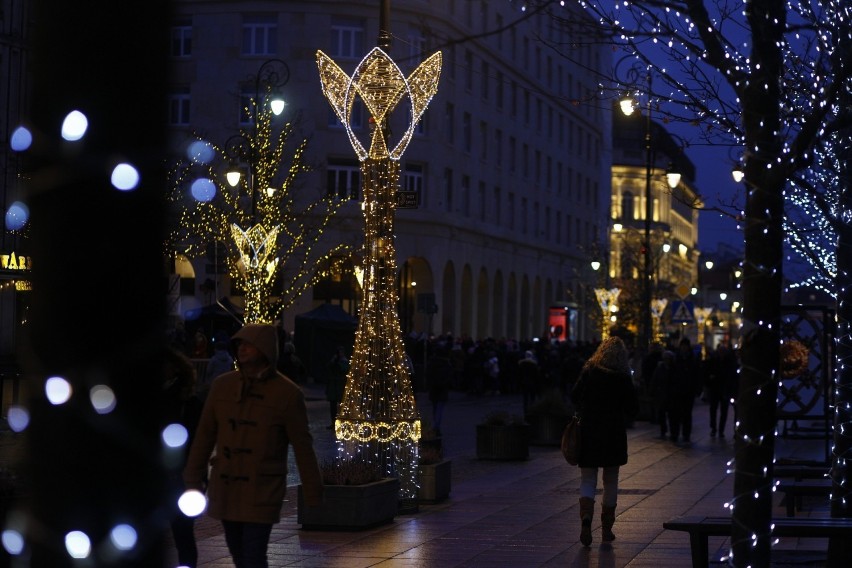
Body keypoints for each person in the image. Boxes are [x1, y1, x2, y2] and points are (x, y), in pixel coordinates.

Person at [183, 323, 324, 568]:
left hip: (263, 488)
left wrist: (313, 491)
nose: (243, 350)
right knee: (238, 551)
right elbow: (204, 436)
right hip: (227, 485)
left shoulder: (287, 394)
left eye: (250, 344)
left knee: (254, 554)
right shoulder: (223, 386)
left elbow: (303, 446)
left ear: (265, 349)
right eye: (240, 345)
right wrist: (193, 478)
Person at [570, 336, 639, 547]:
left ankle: (586, 518)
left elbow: (574, 396)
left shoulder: (590, 370)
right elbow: (633, 409)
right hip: (613, 434)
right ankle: (607, 527)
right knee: (611, 481)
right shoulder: (622, 377)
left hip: (589, 432)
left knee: (588, 479)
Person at [163, 346, 202, 568]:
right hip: (164, 476)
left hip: (180, 476)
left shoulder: (188, 402)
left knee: (182, 533)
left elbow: (199, 440)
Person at [669, 337, 701, 444]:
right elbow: (672, 373)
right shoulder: (676, 358)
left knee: (687, 413)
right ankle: (675, 433)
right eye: (682, 346)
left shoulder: (692, 359)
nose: (684, 348)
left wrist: (696, 389)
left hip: (688, 390)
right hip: (677, 390)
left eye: (685, 346)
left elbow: (696, 375)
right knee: (675, 413)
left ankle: (686, 434)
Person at [705, 342, 738, 437]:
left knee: (722, 410)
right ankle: (715, 428)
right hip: (717, 388)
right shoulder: (715, 360)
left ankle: (719, 429)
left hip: (723, 388)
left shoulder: (727, 361)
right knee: (715, 409)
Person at [425, 345, 453, 435]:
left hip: (434, 388)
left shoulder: (431, 363)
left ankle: (435, 424)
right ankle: (436, 425)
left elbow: (428, 375)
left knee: (435, 407)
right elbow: (449, 376)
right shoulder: (446, 364)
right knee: (439, 408)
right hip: (442, 388)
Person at [199, 332, 234, 400]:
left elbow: (209, 371)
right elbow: (232, 369)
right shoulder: (230, 359)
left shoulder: (214, 359)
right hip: (226, 381)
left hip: (214, 381)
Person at [649, 350, 675, 439]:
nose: (666, 360)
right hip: (661, 394)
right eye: (665, 359)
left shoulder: (673, 368)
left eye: (668, 359)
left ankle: (672, 431)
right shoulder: (660, 368)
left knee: (672, 414)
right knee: (662, 414)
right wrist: (653, 391)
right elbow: (655, 380)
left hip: (671, 395)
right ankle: (663, 430)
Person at [326, 347, 349, 428]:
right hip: (334, 386)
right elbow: (329, 368)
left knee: (341, 405)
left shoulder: (344, 362)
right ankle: (333, 422)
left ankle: (342, 422)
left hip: (340, 385)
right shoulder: (334, 362)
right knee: (333, 406)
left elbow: (343, 370)